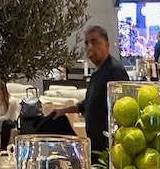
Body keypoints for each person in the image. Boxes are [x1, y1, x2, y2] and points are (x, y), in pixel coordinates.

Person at [49, 26, 129, 160]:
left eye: (94, 42)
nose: (90, 47)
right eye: (87, 43)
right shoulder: (98, 73)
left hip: (108, 147)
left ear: (106, 45)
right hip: (95, 145)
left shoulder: (114, 71)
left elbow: (124, 109)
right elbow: (90, 103)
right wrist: (65, 110)